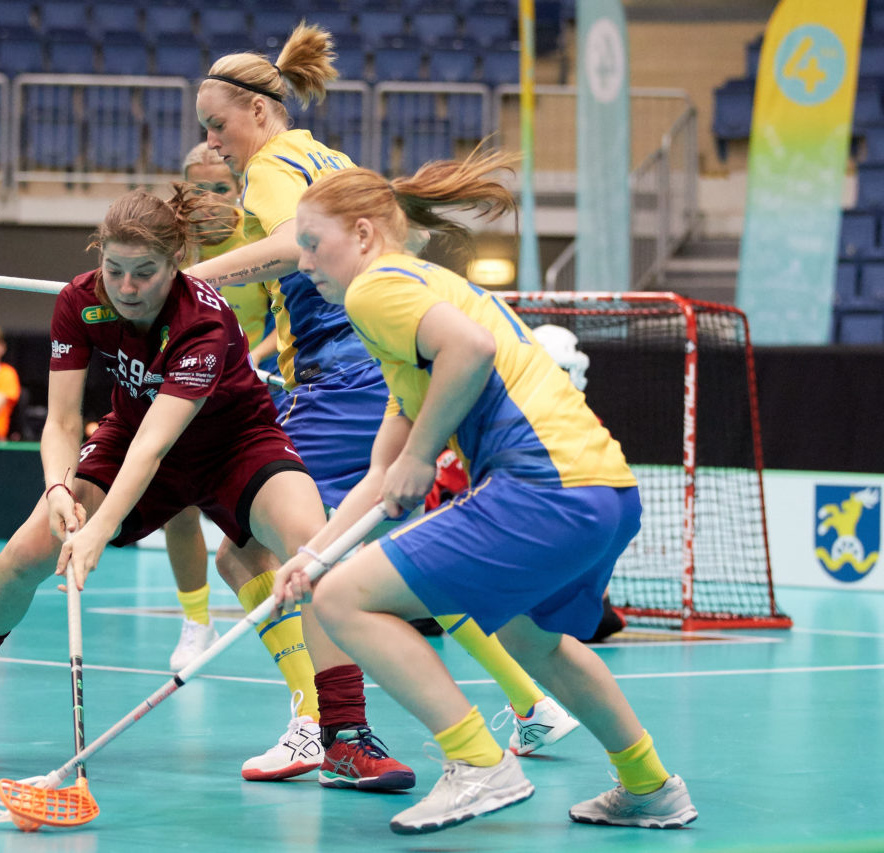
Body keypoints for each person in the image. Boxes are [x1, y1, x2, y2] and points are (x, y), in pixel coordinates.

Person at [0, 189, 411, 792]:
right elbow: (59, 423)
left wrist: (98, 534)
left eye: (145, 273)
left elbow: (155, 449)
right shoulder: (81, 302)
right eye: (115, 270)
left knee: (309, 544)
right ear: (98, 257)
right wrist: (58, 488)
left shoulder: (203, 321)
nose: (127, 287)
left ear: (177, 261)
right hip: (128, 433)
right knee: (25, 552)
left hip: (235, 443)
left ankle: (345, 737)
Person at [178, 22, 576, 781]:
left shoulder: (274, 164)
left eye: (216, 124)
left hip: (344, 378)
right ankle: (532, 702)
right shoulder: (328, 158)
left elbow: (299, 242)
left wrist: (195, 279)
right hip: (372, 372)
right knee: (374, 558)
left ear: (258, 113)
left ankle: (317, 723)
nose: (212, 140)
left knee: (261, 552)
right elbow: (277, 301)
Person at [272, 156, 698, 834]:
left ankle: (478, 763)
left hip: (543, 489)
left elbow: (467, 351)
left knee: (343, 600)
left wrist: (420, 456)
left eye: (310, 241)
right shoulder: (423, 293)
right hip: (605, 491)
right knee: (532, 639)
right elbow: (384, 479)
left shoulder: (375, 290)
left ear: (360, 233)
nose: (300, 260)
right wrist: (313, 552)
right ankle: (649, 784)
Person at [423, 324, 627, 645]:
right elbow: (435, 492)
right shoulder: (493, 427)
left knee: (592, 619)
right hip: (492, 548)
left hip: (549, 545)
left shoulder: (585, 427)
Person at [162, 142, 285, 672]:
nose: (209, 199)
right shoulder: (170, 246)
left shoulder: (259, 238)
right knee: (177, 507)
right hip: (189, 387)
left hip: (257, 389)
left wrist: (254, 358)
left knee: (261, 523)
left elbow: (288, 316)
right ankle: (196, 622)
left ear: (240, 188)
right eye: (198, 187)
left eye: (222, 188)